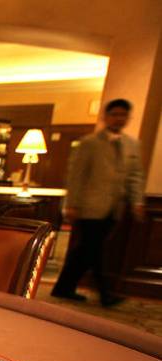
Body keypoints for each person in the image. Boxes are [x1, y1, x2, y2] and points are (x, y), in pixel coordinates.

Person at [52, 98, 145, 307]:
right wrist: (72, 204)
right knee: (94, 250)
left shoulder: (132, 145)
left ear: (128, 118)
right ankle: (105, 293)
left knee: (85, 249)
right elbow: (76, 175)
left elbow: (135, 176)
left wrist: (136, 201)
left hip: (114, 208)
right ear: (106, 116)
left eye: (123, 115)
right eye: (115, 114)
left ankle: (63, 287)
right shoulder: (89, 143)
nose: (119, 118)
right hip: (89, 207)